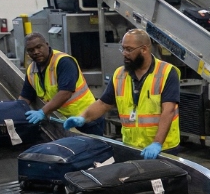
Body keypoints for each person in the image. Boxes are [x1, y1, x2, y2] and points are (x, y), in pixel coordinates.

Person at [63, 29, 180, 158]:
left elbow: (168, 110)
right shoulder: (120, 74)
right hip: (131, 146)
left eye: (129, 50)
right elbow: (103, 104)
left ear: (144, 49)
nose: (124, 54)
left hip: (162, 149)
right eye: (123, 49)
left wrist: (157, 143)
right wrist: (83, 117)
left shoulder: (167, 72)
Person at [19, 33, 102, 136]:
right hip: (63, 121)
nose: (36, 52)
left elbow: (65, 93)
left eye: (39, 47)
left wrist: (42, 112)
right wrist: (16, 111)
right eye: (31, 50)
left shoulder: (63, 62)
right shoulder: (31, 70)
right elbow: (26, 96)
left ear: (47, 45)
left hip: (86, 118)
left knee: (94, 150)